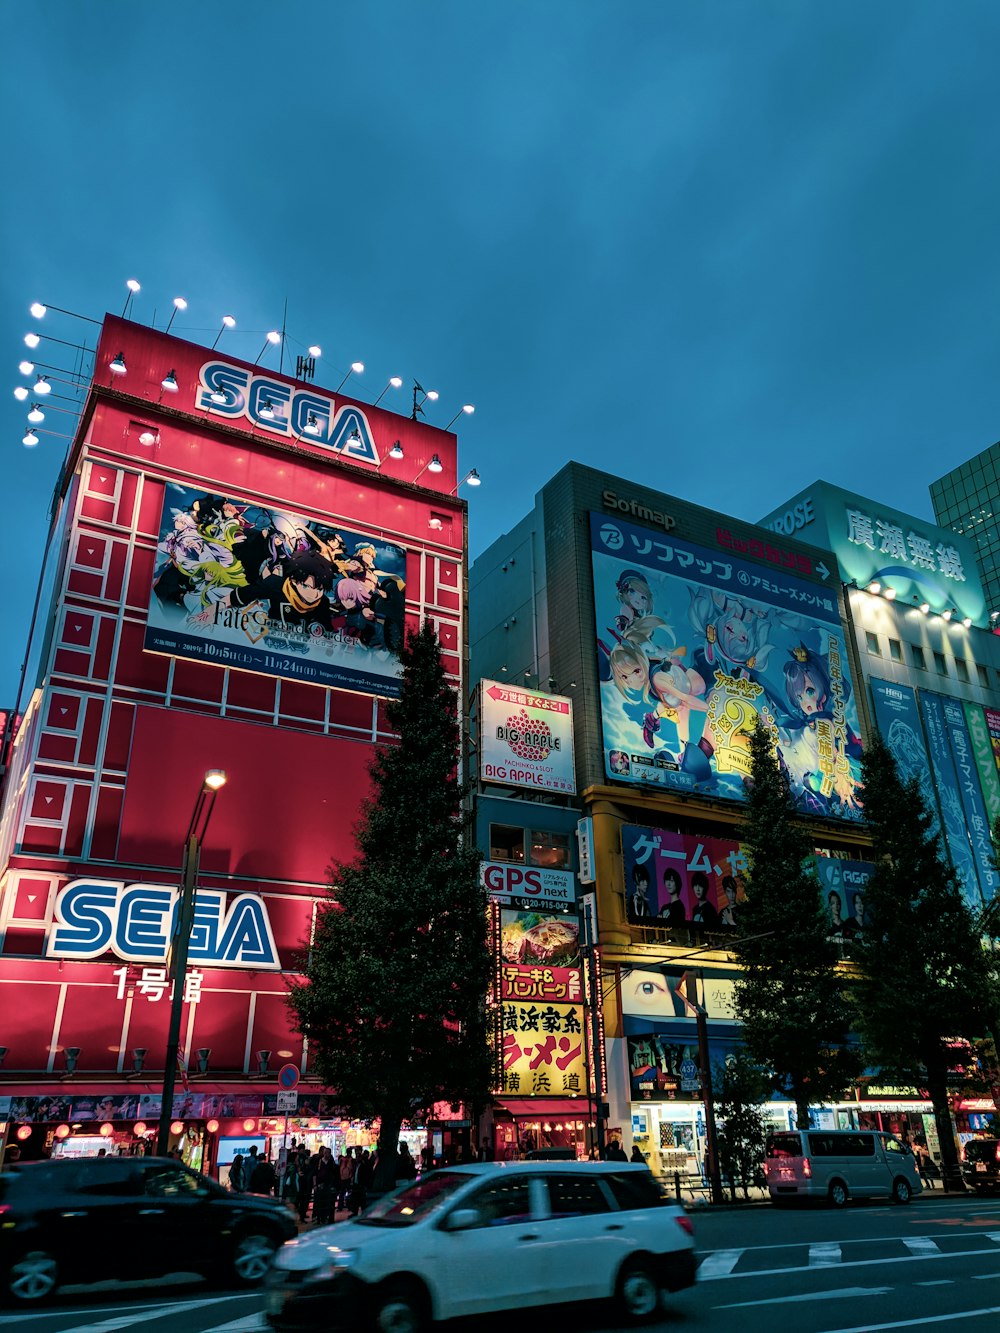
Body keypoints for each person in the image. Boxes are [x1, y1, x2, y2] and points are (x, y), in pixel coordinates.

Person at [312, 1147, 335, 1225]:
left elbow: (333, 1174)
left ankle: (325, 1218)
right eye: (326, 1152)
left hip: (328, 1186)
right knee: (319, 1203)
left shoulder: (331, 1162)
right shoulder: (319, 1162)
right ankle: (319, 1218)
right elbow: (314, 1174)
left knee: (326, 1203)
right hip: (319, 1185)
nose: (327, 1154)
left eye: (328, 1153)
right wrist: (315, 1185)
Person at [337, 1147, 356, 1212]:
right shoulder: (352, 1160)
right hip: (349, 1178)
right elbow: (353, 1169)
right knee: (350, 1192)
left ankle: (340, 1207)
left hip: (342, 1178)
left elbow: (338, 1167)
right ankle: (349, 1206)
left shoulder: (342, 1159)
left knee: (342, 1193)